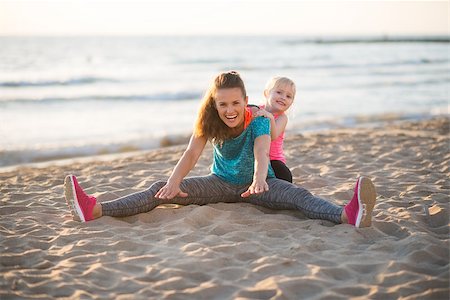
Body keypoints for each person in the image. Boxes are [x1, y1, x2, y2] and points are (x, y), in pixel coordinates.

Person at [64, 71, 377, 228]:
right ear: (215, 104)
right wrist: (174, 180)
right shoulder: (209, 122)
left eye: (236, 103)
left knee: (299, 197)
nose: (230, 110)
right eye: (223, 104)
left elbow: (262, 152)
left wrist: (259, 179)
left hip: (258, 186)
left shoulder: (259, 120)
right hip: (218, 184)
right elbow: (191, 154)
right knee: (160, 189)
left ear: (246, 101)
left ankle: (347, 215)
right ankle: (95, 209)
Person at [252, 76, 296, 183]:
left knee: (285, 176)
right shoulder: (257, 110)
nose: (283, 97)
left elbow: (273, 136)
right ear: (267, 93)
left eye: (288, 96)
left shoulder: (282, 117)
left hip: (274, 160)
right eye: (279, 92)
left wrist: (270, 117)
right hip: (257, 156)